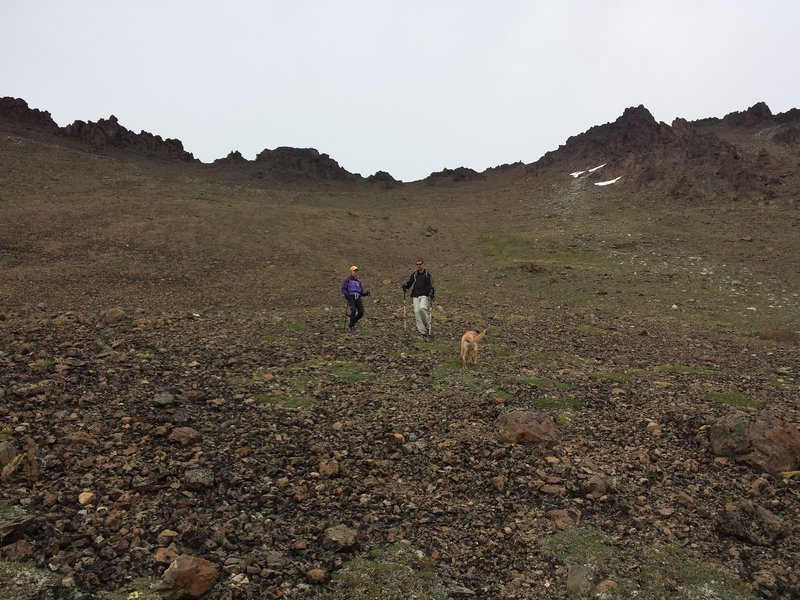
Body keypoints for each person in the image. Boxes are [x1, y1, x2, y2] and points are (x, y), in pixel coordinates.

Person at [401, 259, 435, 336]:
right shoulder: (415, 274)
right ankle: (422, 331)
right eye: (417, 264)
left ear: (423, 264)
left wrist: (431, 292)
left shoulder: (427, 274)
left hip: (424, 295)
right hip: (415, 295)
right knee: (416, 312)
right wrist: (405, 286)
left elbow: (430, 285)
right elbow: (410, 283)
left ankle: (427, 325)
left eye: (420, 264)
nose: (418, 266)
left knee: (422, 309)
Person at [341, 265, 370, 334]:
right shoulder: (348, 280)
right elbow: (343, 288)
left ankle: (352, 322)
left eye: (356, 271)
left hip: (358, 297)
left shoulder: (358, 281)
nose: (355, 272)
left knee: (361, 312)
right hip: (351, 296)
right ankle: (351, 326)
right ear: (351, 272)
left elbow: (361, 292)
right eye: (354, 271)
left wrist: (366, 293)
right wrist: (346, 294)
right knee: (353, 310)